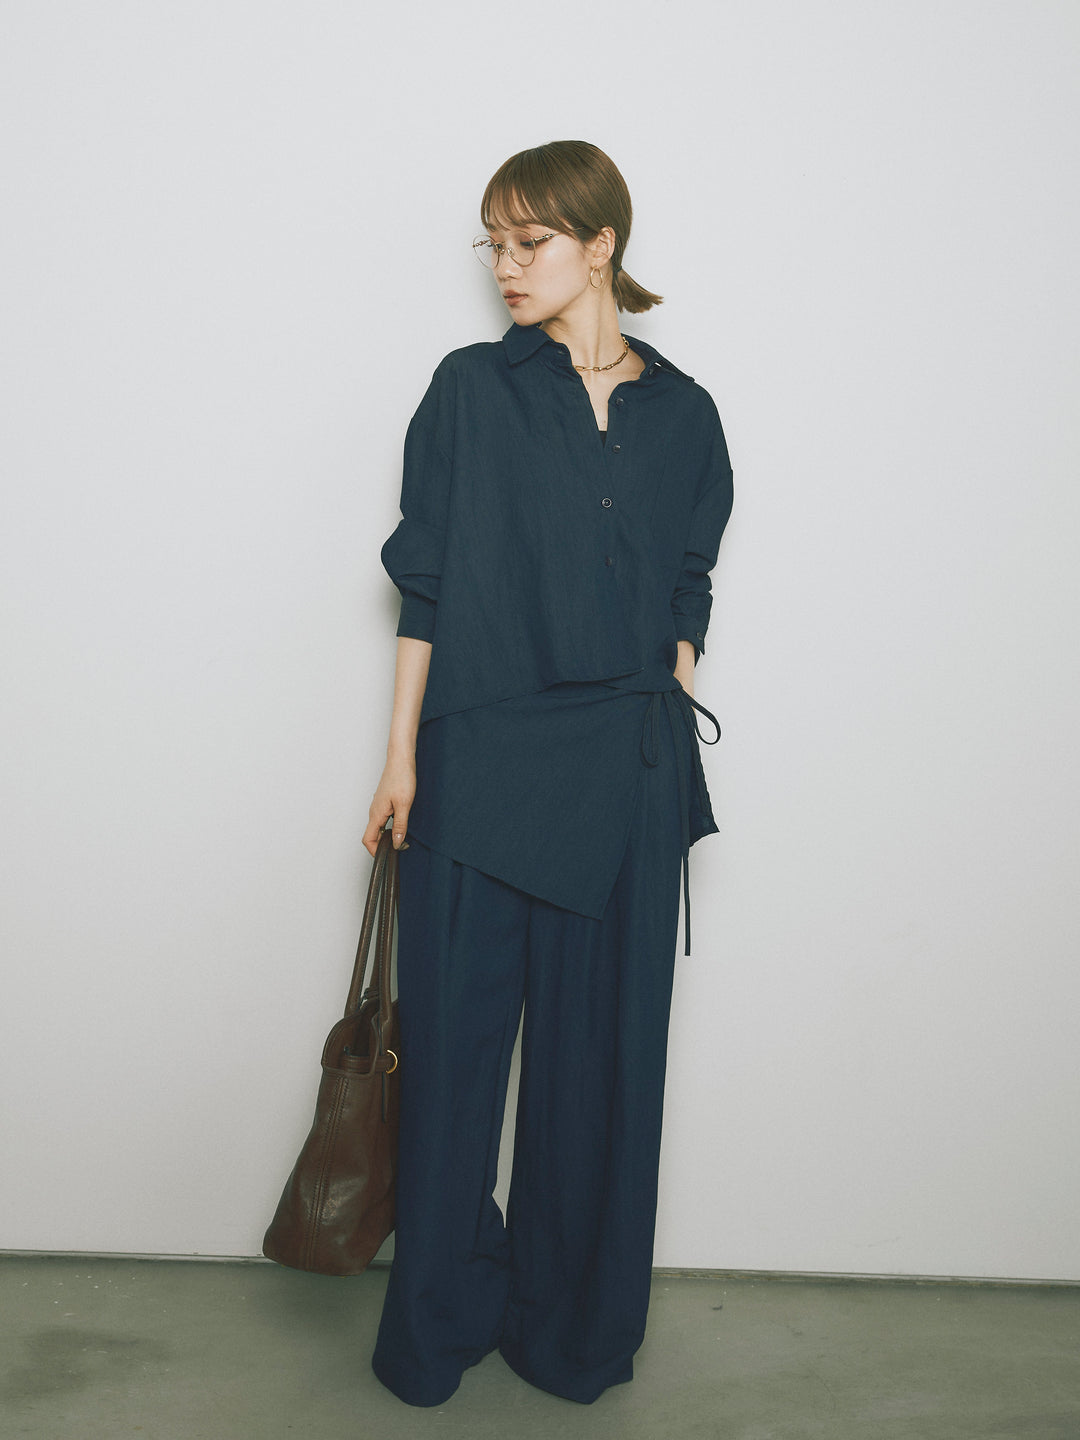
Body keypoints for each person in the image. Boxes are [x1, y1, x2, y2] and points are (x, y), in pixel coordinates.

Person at [362, 140, 734, 1408]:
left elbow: (688, 584)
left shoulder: (686, 412)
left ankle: (573, 1331)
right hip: (477, 767)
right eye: (495, 244)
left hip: (625, 780)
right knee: (454, 1067)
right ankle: (442, 1319)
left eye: (531, 242)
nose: (507, 267)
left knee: (601, 1076)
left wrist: (666, 701)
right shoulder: (471, 390)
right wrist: (400, 759)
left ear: (601, 245)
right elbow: (425, 582)